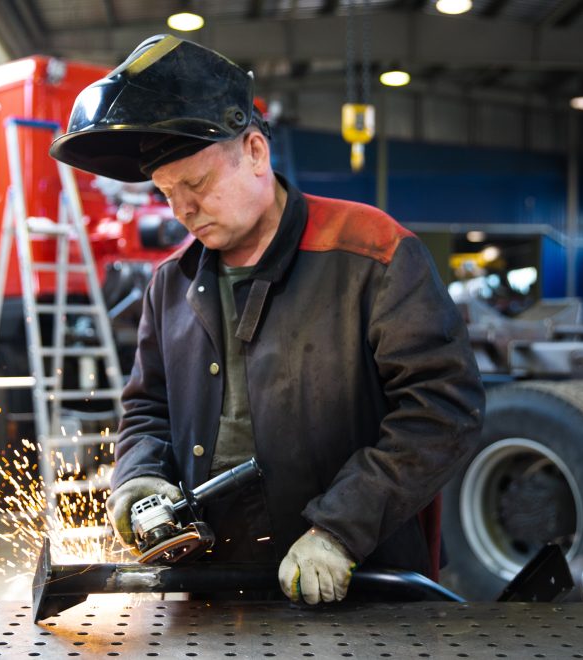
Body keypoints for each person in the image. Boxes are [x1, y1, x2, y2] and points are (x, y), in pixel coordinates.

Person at [49, 35, 485, 606]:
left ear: (255, 151)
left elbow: (442, 408)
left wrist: (340, 528)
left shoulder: (371, 252)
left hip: (359, 586)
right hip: (213, 591)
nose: (182, 210)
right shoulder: (171, 284)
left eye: (196, 184)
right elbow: (148, 408)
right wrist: (138, 477)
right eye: (166, 191)